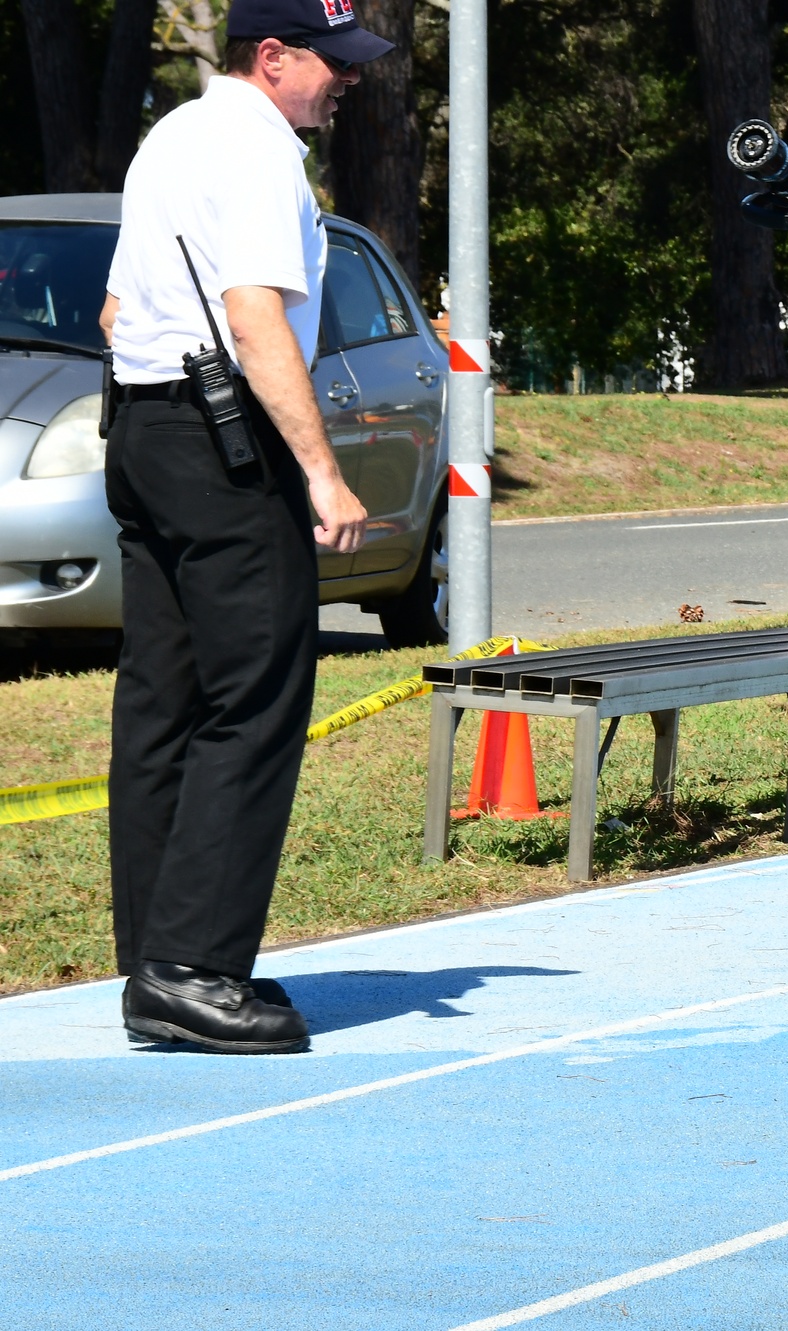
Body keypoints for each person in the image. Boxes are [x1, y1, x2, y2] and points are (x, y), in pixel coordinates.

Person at [96, 0, 391, 1054]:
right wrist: (320, 471)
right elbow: (257, 313)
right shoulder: (260, 152)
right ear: (273, 58)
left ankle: (156, 961)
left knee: (164, 699)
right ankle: (194, 967)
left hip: (143, 421)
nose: (346, 81)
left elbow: (115, 312)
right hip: (224, 436)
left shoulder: (170, 136)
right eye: (334, 62)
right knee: (257, 690)